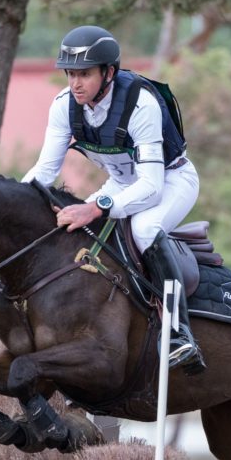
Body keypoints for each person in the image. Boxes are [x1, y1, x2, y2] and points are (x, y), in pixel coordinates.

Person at [22, 25, 205, 375]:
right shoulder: (64, 106)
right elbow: (44, 171)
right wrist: (11, 202)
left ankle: (181, 334)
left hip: (171, 180)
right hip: (121, 182)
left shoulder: (141, 104)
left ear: (109, 72)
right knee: (72, 234)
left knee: (144, 228)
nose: (75, 83)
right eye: (71, 74)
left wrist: (94, 207)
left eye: (85, 74)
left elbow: (151, 186)